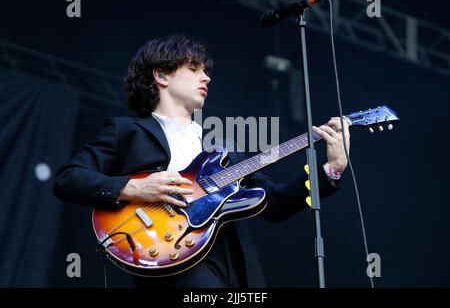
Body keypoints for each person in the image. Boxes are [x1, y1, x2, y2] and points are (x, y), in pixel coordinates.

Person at [53, 34, 350, 288]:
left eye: (205, 70)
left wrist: (331, 169)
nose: (206, 77)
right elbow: (69, 178)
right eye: (194, 68)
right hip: (168, 251)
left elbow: (275, 202)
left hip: (232, 262)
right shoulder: (126, 131)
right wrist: (133, 188)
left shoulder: (224, 148)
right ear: (162, 75)